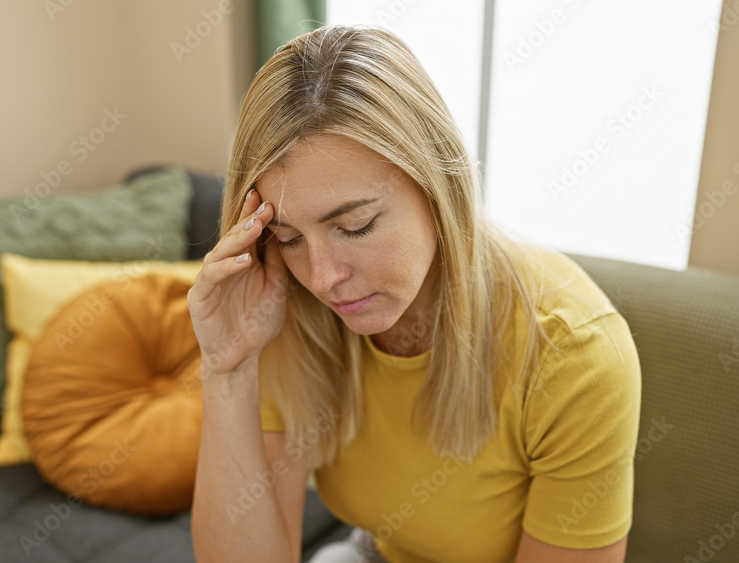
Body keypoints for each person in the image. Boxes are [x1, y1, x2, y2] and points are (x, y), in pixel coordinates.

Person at [188, 24, 641, 563]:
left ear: (436, 184)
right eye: (288, 238)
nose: (323, 277)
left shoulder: (574, 353)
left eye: (355, 225)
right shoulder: (290, 308)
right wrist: (228, 368)